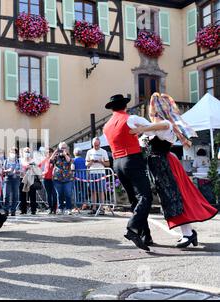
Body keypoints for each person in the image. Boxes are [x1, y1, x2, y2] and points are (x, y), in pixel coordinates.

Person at [130, 93, 218, 248]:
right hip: (159, 166)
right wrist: (142, 131)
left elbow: (160, 127)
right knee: (172, 198)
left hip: (165, 164)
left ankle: (188, 234)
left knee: (175, 197)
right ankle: (189, 233)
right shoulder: (154, 129)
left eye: (153, 111)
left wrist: (142, 128)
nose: (151, 114)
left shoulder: (165, 124)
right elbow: (146, 140)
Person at [103, 94, 153, 251]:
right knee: (145, 196)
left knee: (135, 199)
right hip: (132, 159)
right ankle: (132, 228)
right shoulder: (130, 118)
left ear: (112, 108)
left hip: (117, 162)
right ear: (125, 106)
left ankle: (146, 235)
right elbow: (152, 129)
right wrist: (142, 132)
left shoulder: (106, 125)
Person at [85, 137, 110, 214]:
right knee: (93, 191)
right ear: (92, 144)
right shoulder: (89, 152)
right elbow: (86, 164)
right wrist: (91, 161)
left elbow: (108, 164)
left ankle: (102, 208)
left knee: (101, 191)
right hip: (92, 173)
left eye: (97, 145)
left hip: (101, 173)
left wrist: (101, 162)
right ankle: (94, 208)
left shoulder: (103, 151)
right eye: (94, 145)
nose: (96, 146)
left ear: (100, 144)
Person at [51, 142, 74, 214]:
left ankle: (68, 208)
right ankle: (60, 208)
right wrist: (55, 152)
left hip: (68, 178)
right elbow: (50, 161)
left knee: (68, 194)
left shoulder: (69, 155)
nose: (63, 149)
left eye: (64, 148)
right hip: (57, 178)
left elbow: (69, 161)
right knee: (59, 194)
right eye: (61, 148)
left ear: (67, 148)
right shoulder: (56, 156)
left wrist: (65, 154)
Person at [3, 147, 21, 216]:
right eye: (11, 152)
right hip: (7, 178)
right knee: (6, 195)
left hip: (16, 179)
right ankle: (6, 211)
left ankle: (13, 211)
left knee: (15, 195)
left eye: (14, 152)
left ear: (16, 154)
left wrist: (17, 171)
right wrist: (7, 170)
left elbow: (22, 171)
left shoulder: (19, 161)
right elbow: (3, 171)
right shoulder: (6, 161)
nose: (13, 154)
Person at [39, 148, 58, 214]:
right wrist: (41, 173)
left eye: (50, 152)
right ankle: (50, 208)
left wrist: (55, 151)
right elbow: (39, 167)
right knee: (48, 194)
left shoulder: (54, 159)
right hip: (46, 179)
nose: (48, 153)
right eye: (47, 152)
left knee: (54, 194)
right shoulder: (44, 160)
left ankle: (54, 209)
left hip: (53, 179)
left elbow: (52, 161)